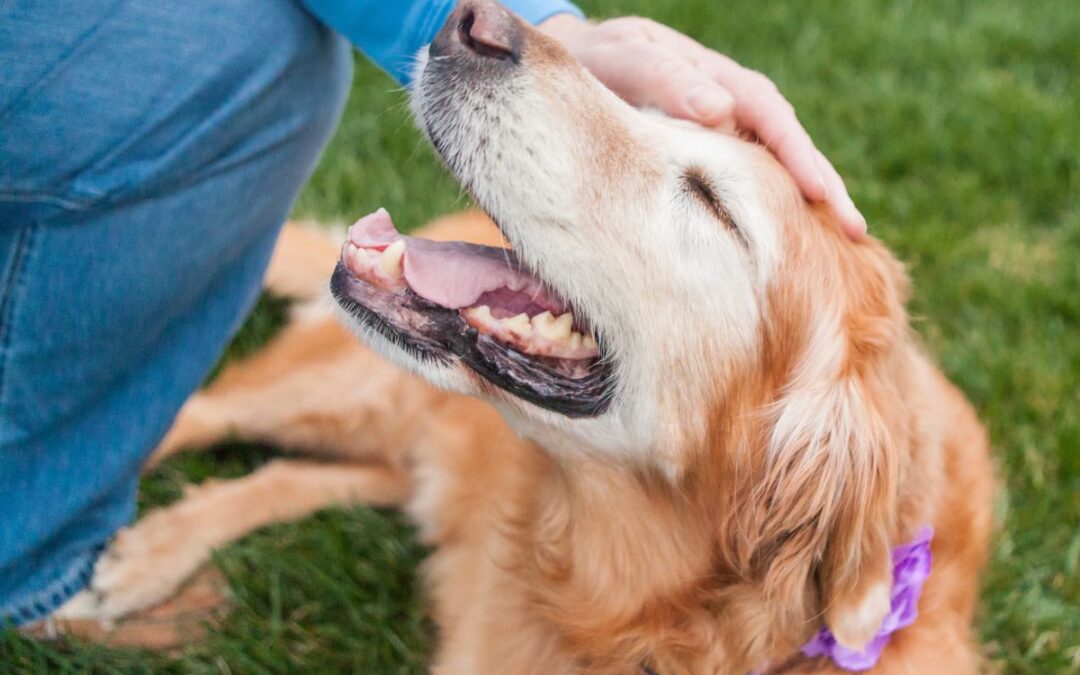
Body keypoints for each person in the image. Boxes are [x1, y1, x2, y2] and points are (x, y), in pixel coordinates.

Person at [0, 0, 866, 629]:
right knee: (258, 49)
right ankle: (80, 501)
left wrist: (574, 36)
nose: (490, 31)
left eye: (707, 205)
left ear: (791, 469)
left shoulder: (825, 473)